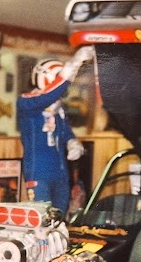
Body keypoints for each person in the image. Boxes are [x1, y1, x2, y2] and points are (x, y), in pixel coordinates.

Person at [17, 46, 94, 215]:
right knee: (43, 220)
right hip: (39, 173)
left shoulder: (58, 109)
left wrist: (73, 143)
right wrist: (75, 63)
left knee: (61, 221)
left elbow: (65, 131)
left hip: (60, 174)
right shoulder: (26, 103)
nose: (63, 90)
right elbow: (49, 95)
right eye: (58, 82)